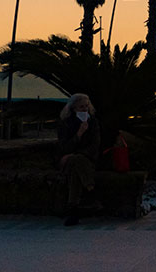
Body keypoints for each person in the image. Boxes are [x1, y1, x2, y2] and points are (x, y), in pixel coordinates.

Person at [57, 93, 102, 226]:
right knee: (75, 164)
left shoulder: (93, 123)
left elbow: (94, 146)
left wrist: (74, 155)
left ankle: (73, 211)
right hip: (72, 161)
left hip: (86, 159)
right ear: (73, 108)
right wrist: (79, 134)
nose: (85, 109)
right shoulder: (66, 124)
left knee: (75, 165)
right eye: (81, 107)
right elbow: (64, 146)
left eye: (86, 106)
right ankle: (91, 190)